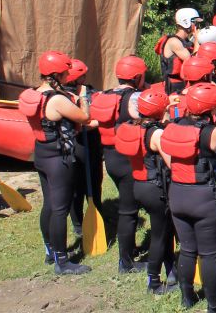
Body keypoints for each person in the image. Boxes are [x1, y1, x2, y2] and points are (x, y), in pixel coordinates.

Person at [18, 51, 97, 274]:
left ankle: (50, 251)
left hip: (41, 154)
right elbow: (84, 117)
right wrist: (83, 97)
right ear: (55, 74)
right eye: (64, 73)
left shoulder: (34, 94)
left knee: (50, 205)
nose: (66, 76)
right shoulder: (57, 99)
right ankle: (62, 261)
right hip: (58, 158)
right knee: (60, 209)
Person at [160, 82, 216, 313]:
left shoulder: (171, 128)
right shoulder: (213, 133)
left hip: (178, 194)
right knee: (209, 253)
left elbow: (169, 158)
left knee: (187, 249)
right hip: (204, 198)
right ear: (212, 108)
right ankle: (215, 305)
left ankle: (187, 297)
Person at [88, 54, 149, 272]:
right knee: (129, 209)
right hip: (128, 158)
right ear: (138, 76)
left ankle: (129, 253)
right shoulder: (134, 98)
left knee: (129, 205)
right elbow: (150, 113)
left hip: (111, 157)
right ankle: (126, 261)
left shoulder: (104, 95)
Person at [114, 87, 178, 294]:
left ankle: (171, 270)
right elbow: (171, 163)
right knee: (160, 234)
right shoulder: (156, 134)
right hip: (156, 187)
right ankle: (154, 281)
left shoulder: (131, 126)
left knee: (166, 230)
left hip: (138, 185)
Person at [64, 58, 101, 239]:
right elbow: (80, 122)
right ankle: (78, 223)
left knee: (95, 180)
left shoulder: (90, 90)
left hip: (93, 142)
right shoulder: (66, 96)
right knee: (77, 186)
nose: (86, 76)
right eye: (83, 74)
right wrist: (94, 122)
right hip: (77, 143)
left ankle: (98, 214)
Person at [156, 8, 202, 94]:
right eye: (195, 22)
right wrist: (197, 40)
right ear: (186, 22)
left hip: (184, 85)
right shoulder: (174, 42)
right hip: (175, 88)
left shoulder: (187, 42)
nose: (197, 25)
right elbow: (193, 63)